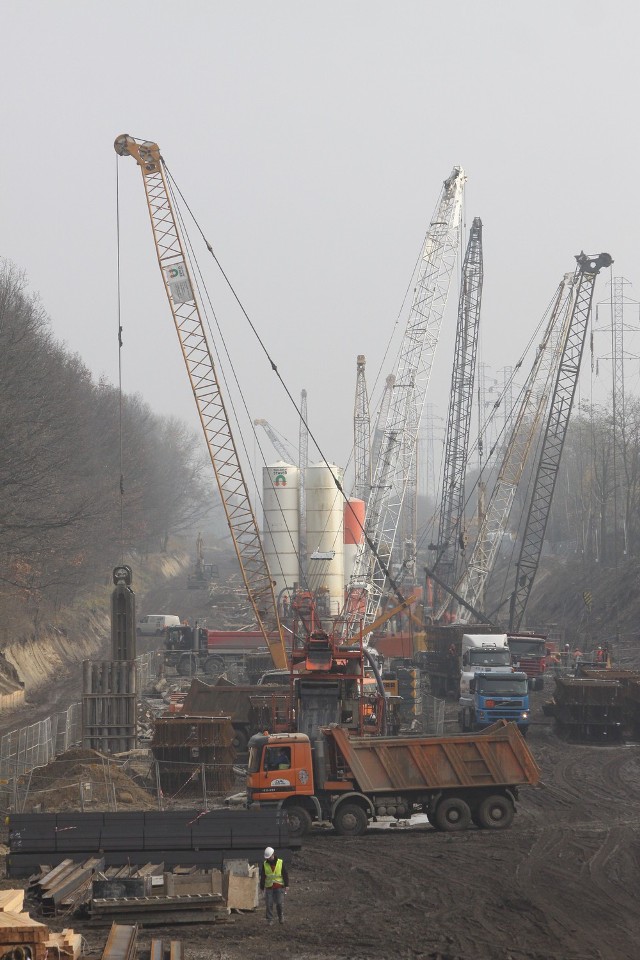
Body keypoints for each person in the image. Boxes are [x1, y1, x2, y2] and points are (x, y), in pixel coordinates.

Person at [260, 846, 289, 925]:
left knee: (279, 903)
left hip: (279, 886)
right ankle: (270, 920)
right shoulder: (265, 864)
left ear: (273, 854)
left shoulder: (280, 862)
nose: (268, 859)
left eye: (269, 857)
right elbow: (263, 876)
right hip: (269, 887)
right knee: (269, 904)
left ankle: (281, 917)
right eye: (267, 858)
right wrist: (262, 887)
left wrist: (287, 885)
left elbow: (285, 874)